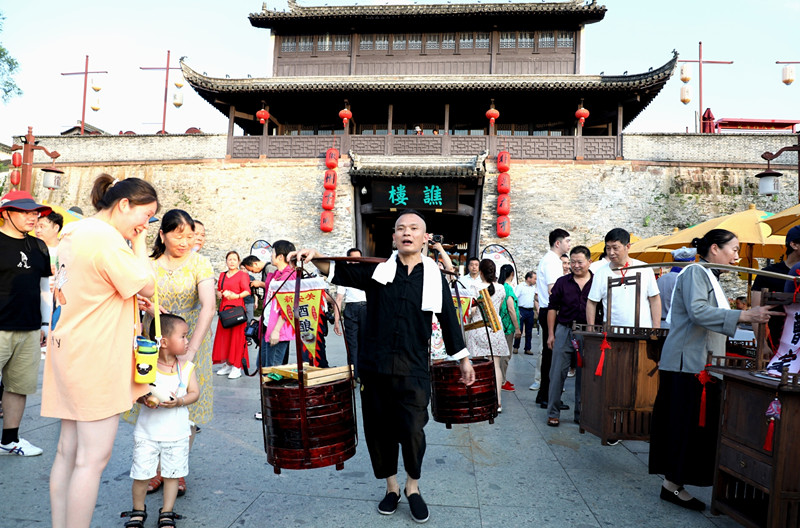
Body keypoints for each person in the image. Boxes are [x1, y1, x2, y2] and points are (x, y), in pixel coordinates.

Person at [292, 210, 475, 524]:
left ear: (424, 237)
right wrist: (316, 256)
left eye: (414, 228)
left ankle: (413, 486)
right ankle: (392, 487)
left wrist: (463, 359)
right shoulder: (379, 271)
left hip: (414, 368)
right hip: (374, 367)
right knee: (379, 431)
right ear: (394, 237)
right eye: (401, 228)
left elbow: (449, 319)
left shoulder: (434, 277)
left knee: (413, 430)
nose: (407, 233)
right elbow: (340, 272)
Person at [41, 174, 158, 527]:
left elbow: (94, 286)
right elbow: (147, 285)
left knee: (67, 451)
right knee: (92, 460)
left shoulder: (76, 232)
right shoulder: (108, 240)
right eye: (146, 215)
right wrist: (140, 243)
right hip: (96, 355)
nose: (145, 223)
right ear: (124, 204)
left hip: (70, 348)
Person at [649, 229, 781, 511]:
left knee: (691, 429)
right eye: (733, 249)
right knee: (684, 427)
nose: (736, 256)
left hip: (700, 364)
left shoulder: (709, 275)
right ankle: (671, 485)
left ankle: (675, 483)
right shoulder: (695, 272)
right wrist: (744, 314)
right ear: (714, 249)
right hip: (688, 365)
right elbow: (698, 312)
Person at [137, 209, 215, 498]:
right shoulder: (149, 264)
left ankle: (175, 469)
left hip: (190, 341)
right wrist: (148, 309)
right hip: (156, 345)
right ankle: (154, 468)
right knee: (154, 402)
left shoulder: (200, 263)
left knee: (186, 409)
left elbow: (208, 307)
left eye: (190, 236)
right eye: (178, 235)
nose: (185, 242)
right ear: (162, 235)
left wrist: (190, 351)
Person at [122, 314, 200, 528]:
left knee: (172, 475)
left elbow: (195, 393)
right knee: (141, 475)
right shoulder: (146, 367)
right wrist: (144, 399)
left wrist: (179, 401)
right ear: (164, 342)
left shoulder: (186, 368)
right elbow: (135, 393)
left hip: (177, 435)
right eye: (183, 336)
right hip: (147, 434)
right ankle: (138, 510)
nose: (187, 341)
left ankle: (167, 511)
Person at [0, 190, 53, 457]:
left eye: (34, 212)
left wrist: (45, 324)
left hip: (30, 328)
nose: (32, 217)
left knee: (18, 386)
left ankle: (10, 440)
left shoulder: (39, 247)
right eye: (24, 212)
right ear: (6, 213)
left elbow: (44, 287)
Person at [546, 246, 593, 427]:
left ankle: (581, 414)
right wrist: (551, 334)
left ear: (589, 262)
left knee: (585, 374)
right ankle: (553, 412)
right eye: (572, 262)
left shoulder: (597, 282)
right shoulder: (562, 282)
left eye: (579, 262)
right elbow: (552, 308)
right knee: (557, 372)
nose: (575, 265)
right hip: (564, 330)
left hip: (588, 332)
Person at [586, 228, 661, 329]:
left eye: (615, 248)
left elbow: (654, 299)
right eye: (608, 248)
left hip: (642, 330)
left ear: (628, 246)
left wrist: (656, 328)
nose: (611, 252)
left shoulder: (645, 269)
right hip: (612, 331)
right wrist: (590, 328)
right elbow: (591, 302)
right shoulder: (601, 273)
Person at [531, 229, 571, 408]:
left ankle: (544, 394)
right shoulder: (552, 261)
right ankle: (548, 396)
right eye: (567, 241)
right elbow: (553, 290)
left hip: (548, 310)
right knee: (553, 356)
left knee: (549, 356)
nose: (569, 245)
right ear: (558, 243)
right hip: (551, 311)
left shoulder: (549, 259)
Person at [466, 259, 510, 410]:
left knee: (478, 366)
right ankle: (498, 401)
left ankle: (480, 399)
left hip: (478, 329)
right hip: (495, 329)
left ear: (481, 272)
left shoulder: (474, 287)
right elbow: (499, 306)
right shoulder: (501, 288)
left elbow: (471, 311)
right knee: (495, 366)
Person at [752, 225, 800, 344]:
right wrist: (762, 345)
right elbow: (755, 311)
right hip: (778, 344)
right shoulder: (768, 274)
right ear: (794, 245)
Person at [212, 251, 251, 379]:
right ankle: (228, 364)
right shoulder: (222, 275)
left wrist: (237, 296)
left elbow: (247, 291)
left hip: (237, 309)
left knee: (237, 338)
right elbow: (220, 290)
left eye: (234, 259)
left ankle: (237, 366)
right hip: (225, 309)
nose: (232, 262)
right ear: (226, 261)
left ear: (238, 261)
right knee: (225, 337)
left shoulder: (242, 275)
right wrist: (219, 294)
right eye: (230, 259)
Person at [261, 240, 297, 368]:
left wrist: (276, 330)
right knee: (265, 366)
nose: (271, 255)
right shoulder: (277, 274)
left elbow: (288, 306)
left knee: (273, 369)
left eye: (272, 252)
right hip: (268, 325)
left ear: (280, 256)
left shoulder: (289, 276)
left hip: (278, 329)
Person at [334, 248, 367, 379]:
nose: (355, 262)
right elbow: (338, 299)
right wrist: (336, 321)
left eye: (358, 259)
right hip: (351, 309)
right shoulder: (344, 275)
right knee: (352, 344)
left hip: (365, 309)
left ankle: (364, 374)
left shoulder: (366, 272)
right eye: (353, 259)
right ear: (348, 260)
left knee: (365, 343)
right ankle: (353, 374)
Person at [656, 247, 697, 328]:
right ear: (690, 262)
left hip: (658, 324)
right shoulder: (684, 279)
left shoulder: (660, 279)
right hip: (676, 326)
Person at [498, 264, 521, 392]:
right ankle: (501, 380)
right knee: (506, 355)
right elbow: (511, 308)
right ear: (512, 274)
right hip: (508, 326)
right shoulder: (508, 288)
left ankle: (502, 378)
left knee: (501, 353)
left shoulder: (499, 286)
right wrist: (517, 327)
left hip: (501, 325)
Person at [513, 271, 537, 356]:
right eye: (534, 279)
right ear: (528, 278)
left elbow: (535, 298)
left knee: (529, 331)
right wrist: (516, 310)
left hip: (530, 310)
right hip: (521, 309)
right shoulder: (520, 287)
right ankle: (516, 347)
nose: (535, 281)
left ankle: (527, 348)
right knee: (519, 329)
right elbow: (515, 298)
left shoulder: (534, 288)